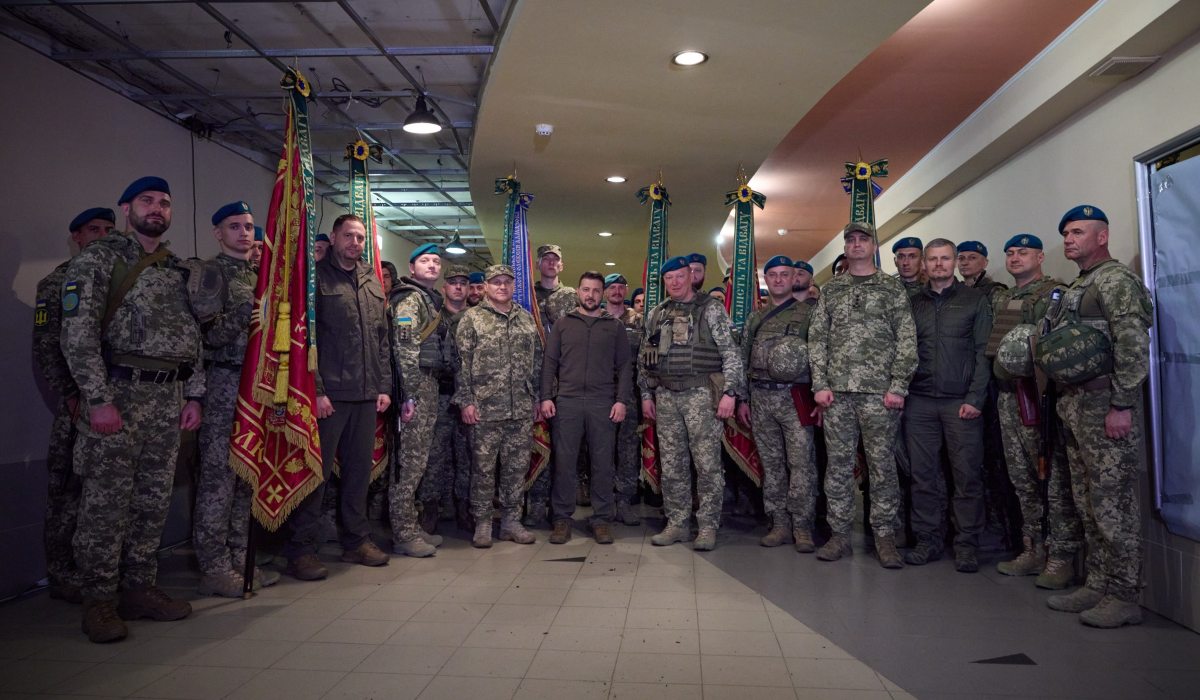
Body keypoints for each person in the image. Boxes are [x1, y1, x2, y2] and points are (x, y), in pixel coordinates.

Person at [61, 177, 205, 642]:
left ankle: (139, 588)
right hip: (118, 395)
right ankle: (99, 601)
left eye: (164, 202)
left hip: (167, 399)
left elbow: (192, 337)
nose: (157, 208)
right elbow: (77, 336)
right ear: (127, 208)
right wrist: (98, 400)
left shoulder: (177, 269)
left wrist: (194, 394)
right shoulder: (99, 259)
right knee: (105, 504)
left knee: (152, 501)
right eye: (147, 201)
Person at [1042, 205, 1152, 628]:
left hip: (1106, 404)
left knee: (1112, 503)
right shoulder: (1080, 284)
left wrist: (1121, 405)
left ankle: (1124, 595)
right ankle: (1098, 582)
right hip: (1076, 405)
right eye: (1066, 234)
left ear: (1102, 236)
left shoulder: (1117, 281)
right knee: (1087, 501)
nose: (1069, 240)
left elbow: (1132, 346)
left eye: (1078, 232)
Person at [284, 214, 392, 581]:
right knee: (315, 475)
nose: (355, 243)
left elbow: (381, 338)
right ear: (333, 237)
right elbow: (304, 338)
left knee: (358, 475)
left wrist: (383, 386)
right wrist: (316, 391)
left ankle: (356, 541)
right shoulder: (315, 278)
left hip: (365, 394)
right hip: (328, 395)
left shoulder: (371, 280)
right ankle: (301, 549)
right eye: (348, 236)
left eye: (360, 238)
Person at [808, 222, 916, 568]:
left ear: (873, 246)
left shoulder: (891, 288)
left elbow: (907, 339)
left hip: (879, 395)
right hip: (837, 394)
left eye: (862, 240)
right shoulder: (832, 289)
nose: (856, 245)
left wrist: (898, 386)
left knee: (882, 467)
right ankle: (839, 535)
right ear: (845, 247)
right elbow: (817, 340)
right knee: (838, 467)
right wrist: (820, 385)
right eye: (851, 240)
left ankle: (884, 536)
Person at [192, 201, 279, 597]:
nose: (244, 233)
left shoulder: (258, 275)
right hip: (224, 385)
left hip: (256, 386)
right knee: (219, 479)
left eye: (248, 226)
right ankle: (213, 565)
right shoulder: (211, 273)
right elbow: (208, 336)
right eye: (234, 227)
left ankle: (241, 557)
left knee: (247, 477)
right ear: (218, 233)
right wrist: (249, 307)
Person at [988, 234, 1081, 587]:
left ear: (1040, 257)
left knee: (1052, 480)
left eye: (1023, 252)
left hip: (1039, 397)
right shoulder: (1003, 298)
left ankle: (1061, 557)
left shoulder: (1056, 295)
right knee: (1022, 481)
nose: (1015, 258)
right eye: (1010, 253)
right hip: (1008, 397)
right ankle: (1033, 548)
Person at [33, 207, 116, 604]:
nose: (102, 235)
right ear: (77, 238)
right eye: (93, 229)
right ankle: (63, 572)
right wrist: (71, 396)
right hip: (78, 405)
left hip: (115, 401)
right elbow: (48, 348)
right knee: (67, 489)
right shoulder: (57, 283)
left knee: (105, 492)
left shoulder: (121, 281)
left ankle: (102, 570)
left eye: (109, 230)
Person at [639, 256, 745, 551]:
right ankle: (677, 523)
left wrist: (730, 393)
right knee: (672, 464)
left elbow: (731, 353)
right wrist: (646, 395)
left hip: (701, 395)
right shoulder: (658, 313)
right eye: (669, 278)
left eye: (680, 276)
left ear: (691, 276)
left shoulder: (710, 309)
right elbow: (645, 359)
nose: (674, 282)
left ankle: (707, 526)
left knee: (707, 464)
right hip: (666, 396)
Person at [903, 238, 993, 573]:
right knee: (922, 476)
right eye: (932, 259)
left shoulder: (974, 300)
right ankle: (927, 540)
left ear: (954, 261)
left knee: (966, 476)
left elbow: (984, 352)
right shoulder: (912, 303)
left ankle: (966, 544)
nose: (938, 264)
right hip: (920, 402)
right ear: (924, 264)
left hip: (960, 403)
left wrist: (975, 398)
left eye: (944, 258)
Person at [541, 271, 633, 544]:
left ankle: (601, 519)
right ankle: (561, 518)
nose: (590, 295)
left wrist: (621, 400)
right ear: (578, 292)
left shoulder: (614, 327)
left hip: (602, 403)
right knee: (564, 463)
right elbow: (549, 363)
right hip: (567, 402)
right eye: (585, 289)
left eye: (595, 290)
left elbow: (625, 366)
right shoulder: (563, 324)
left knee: (603, 464)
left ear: (602, 294)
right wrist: (546, 397)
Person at [456, 264, 542, 548]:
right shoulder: (472, 318)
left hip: (520, 408)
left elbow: (536, 362)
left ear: (514, 285)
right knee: (483, 470)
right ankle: (482, 522)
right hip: (485, 408)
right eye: (496, 282)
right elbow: (461, 363)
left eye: (507, 282)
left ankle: (511, 521)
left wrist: (536, 397)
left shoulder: (525, 318)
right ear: (486, 286)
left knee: (516, 469)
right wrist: (466, 401)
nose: (502, 286)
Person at [737, 256, 818, 552]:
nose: (779, 280)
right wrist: (742, 398)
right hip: (761, 398)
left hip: (795, 397)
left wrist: (820, 394)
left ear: (794, 277)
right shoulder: (755, 318)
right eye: (773, 275)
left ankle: (802, 526)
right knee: (771, 465)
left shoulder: (810, 314)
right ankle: (779, 523)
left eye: (785, 274)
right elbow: (742, 358)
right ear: (766, 280)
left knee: (801, 463)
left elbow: (820, 356)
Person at [386, 244, 455, 557]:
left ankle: (411, 526)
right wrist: (409, 394)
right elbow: (405, 346)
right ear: (412, 267)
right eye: (425, 260)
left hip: (428, 385)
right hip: (414, 388)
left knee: (418, 462)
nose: (432, 265)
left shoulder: (429, 299)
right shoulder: (410, 299)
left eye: (436, 261)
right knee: (408, 464)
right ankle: (403, 532)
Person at [418, 263, 474, 533]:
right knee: (435, 455)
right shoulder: (433, 316)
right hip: (439, 394)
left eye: (463, 283)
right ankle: (431, 508)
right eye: (453, 282)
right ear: (445, 287)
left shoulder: (476, 318)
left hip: (469, 397)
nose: (458, 287)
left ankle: (464, 507)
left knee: (467, 455)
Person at [526, 244, 577, 524]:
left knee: (563, 448)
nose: (550, 263)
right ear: (537, 264)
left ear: (561, 265)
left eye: (555, 259)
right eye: (545, 259)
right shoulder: (526, 295)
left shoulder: (571, 296)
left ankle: (560, 506)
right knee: (536, 444)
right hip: (534, 380)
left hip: (565, 382)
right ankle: (535, 502)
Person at [604, 273, 644, 525]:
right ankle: (605, 501)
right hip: (601, 393)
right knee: (602, 448)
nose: (617, 291)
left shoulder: (639, 321)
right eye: (612, 287)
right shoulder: (597, 319)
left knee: (629, 449)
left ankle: (624, 501)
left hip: (630, 394)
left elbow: (646, 359)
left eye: (621, 287)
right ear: (605, 291)